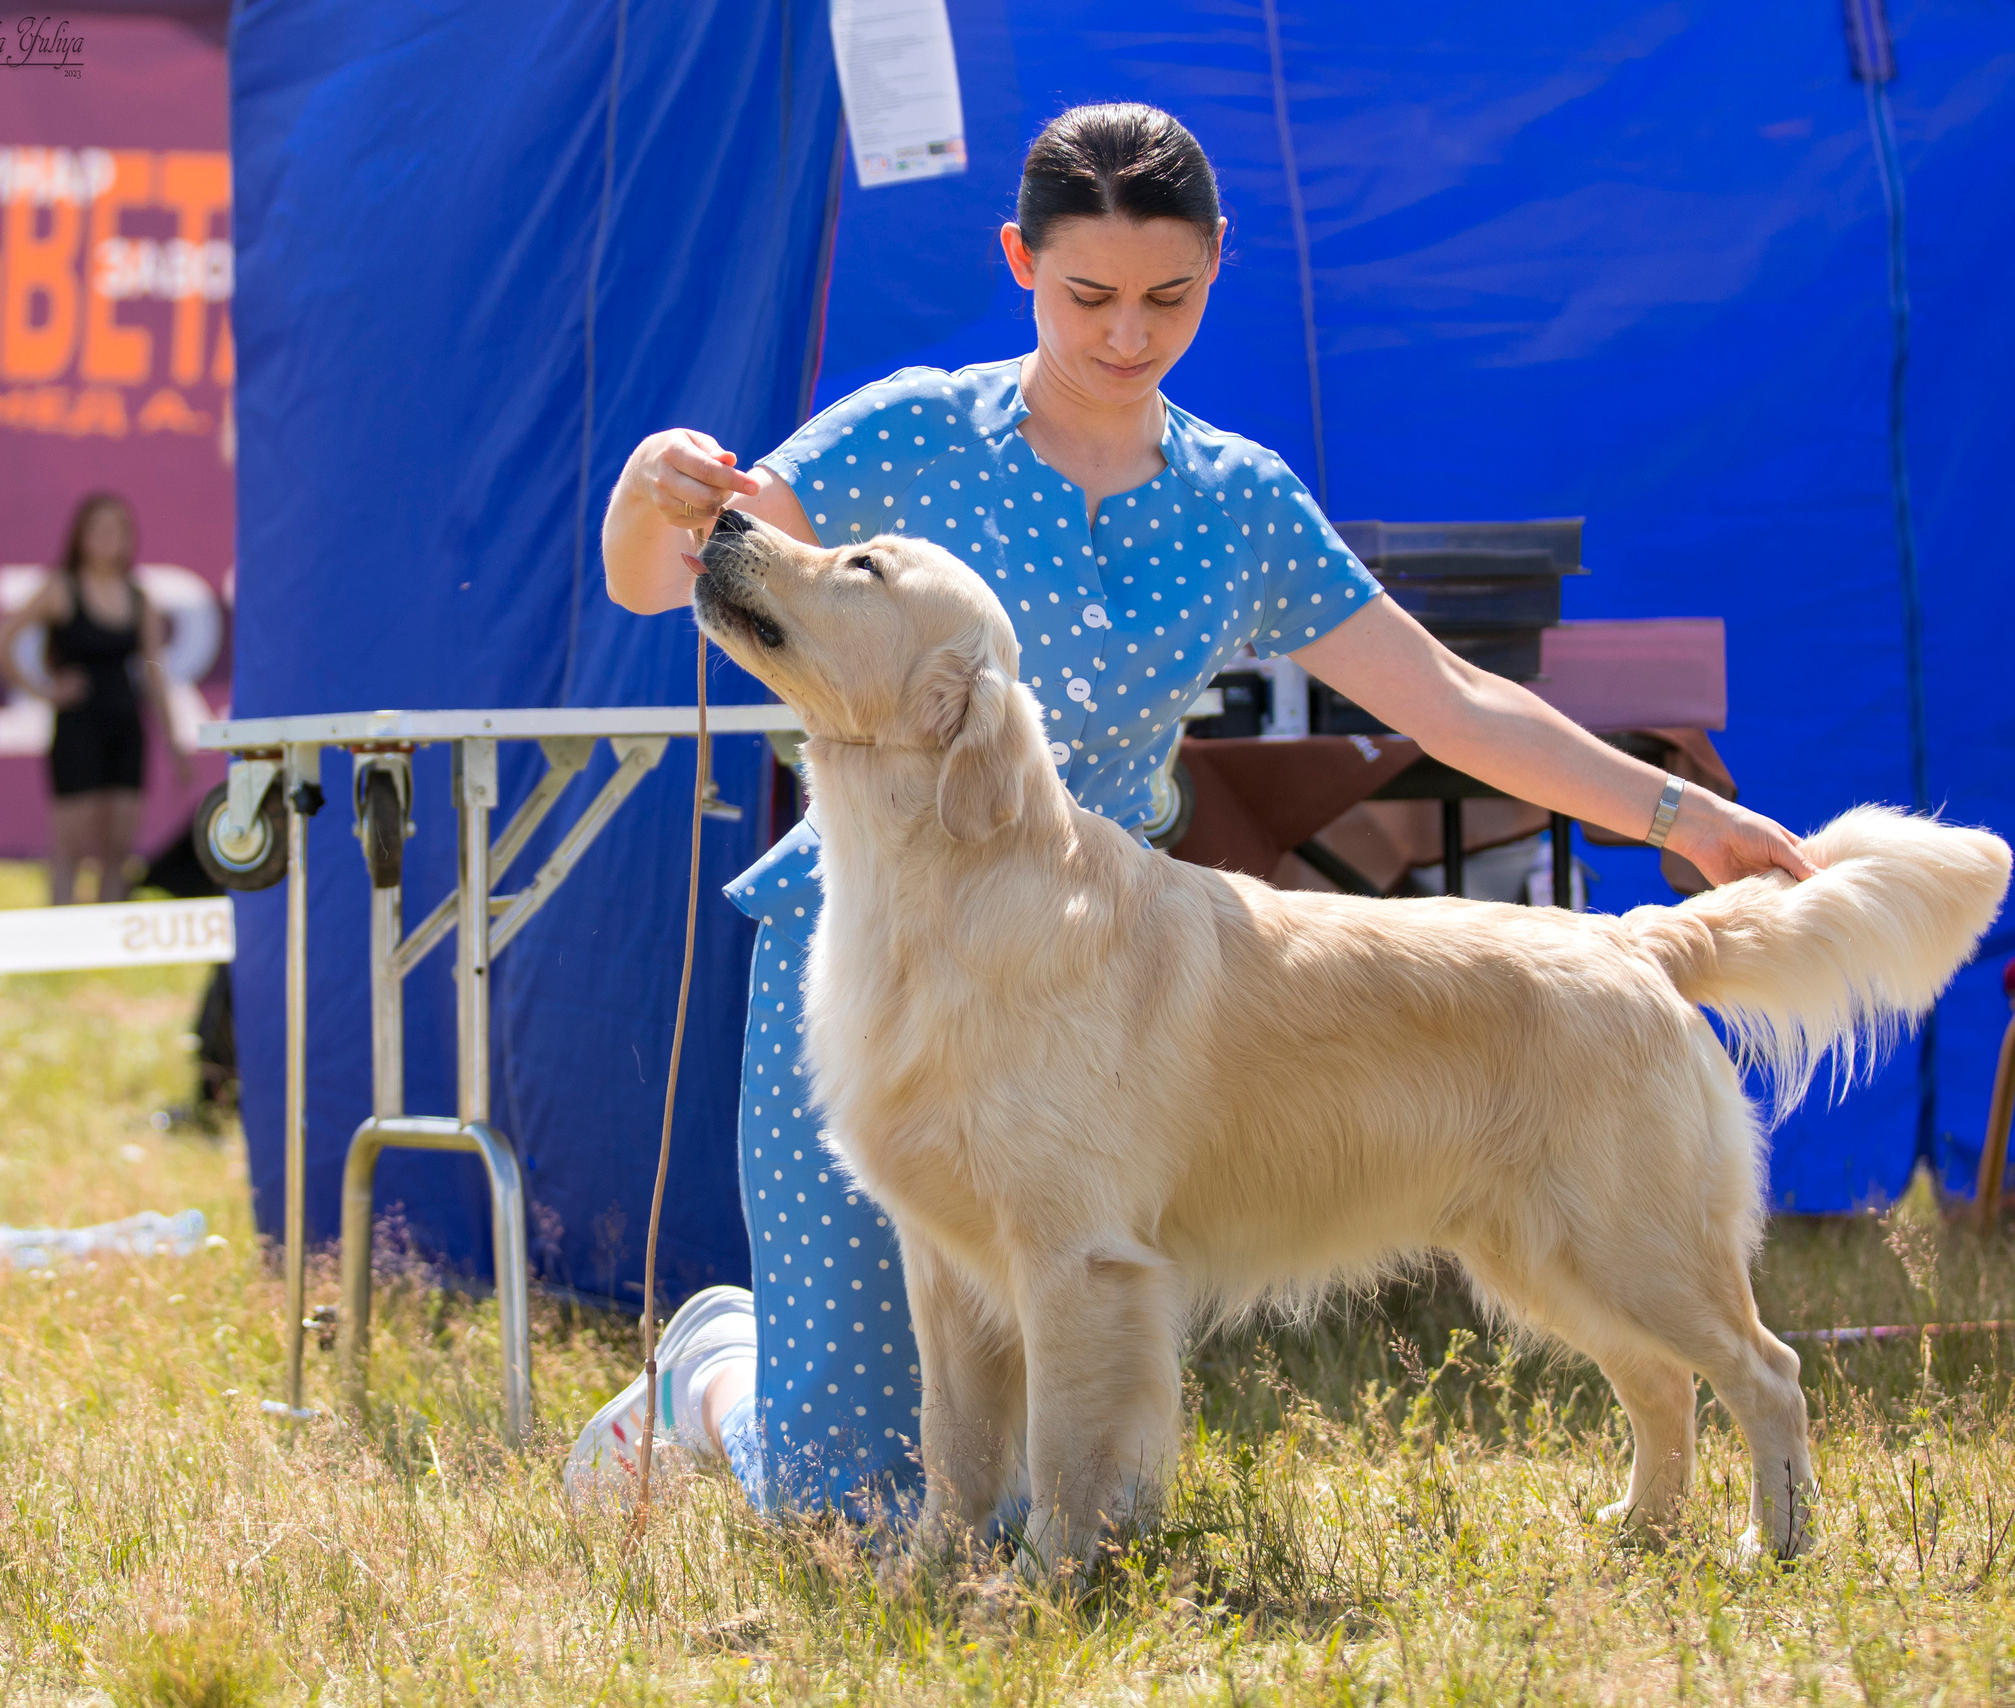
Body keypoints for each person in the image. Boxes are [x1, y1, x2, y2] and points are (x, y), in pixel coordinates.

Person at [566, 103, 1816, 1514]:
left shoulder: (1240, 501)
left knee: (1079, 1474)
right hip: (863, 959)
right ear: (1019, 261)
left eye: (1168, 298)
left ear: (1219, 263)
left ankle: (1072, 1511)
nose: (1124, 336)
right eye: (1086, 295)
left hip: (1096, 966)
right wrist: (642, 496)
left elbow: (1452, 702)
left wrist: (1675, 819)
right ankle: (712, 1373)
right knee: (845, 1491)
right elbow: (676, 575)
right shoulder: (912, 430)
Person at [0, 492, 189, 905]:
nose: (108, 540)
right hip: (79, 728)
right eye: (99, 530)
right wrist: (42, 689)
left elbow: (155, 672)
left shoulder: (137, 597)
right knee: (71, 846)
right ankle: (61, 937)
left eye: (117, 530)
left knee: (118, 847)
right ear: (80, 536)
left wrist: (173, 741)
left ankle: (110, 934)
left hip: (126, 726)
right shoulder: (62, 589)